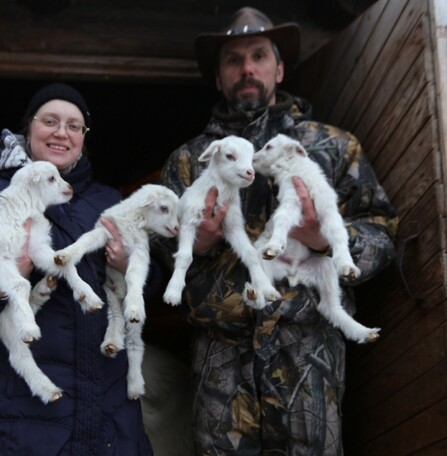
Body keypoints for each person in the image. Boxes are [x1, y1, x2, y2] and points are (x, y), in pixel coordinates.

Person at [156, 7, 399, 455]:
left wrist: (322, 239)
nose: (247, 68)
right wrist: (199, 243)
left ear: (280, 68)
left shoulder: (331, 146)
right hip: (220, 363)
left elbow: (382, 230)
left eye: (259, 56)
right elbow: (153, 267)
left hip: (310, 355)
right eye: (233, 60)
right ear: (218, 78)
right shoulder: (190, 162)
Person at [0, 83, 153, 455]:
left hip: (111, 422)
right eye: (50, 121)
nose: (62, 132)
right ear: (28, 129)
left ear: (83, 138)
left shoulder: (109, 201)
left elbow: (149, 301)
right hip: (20, 421)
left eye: (74, 126)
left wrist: (129, 266)